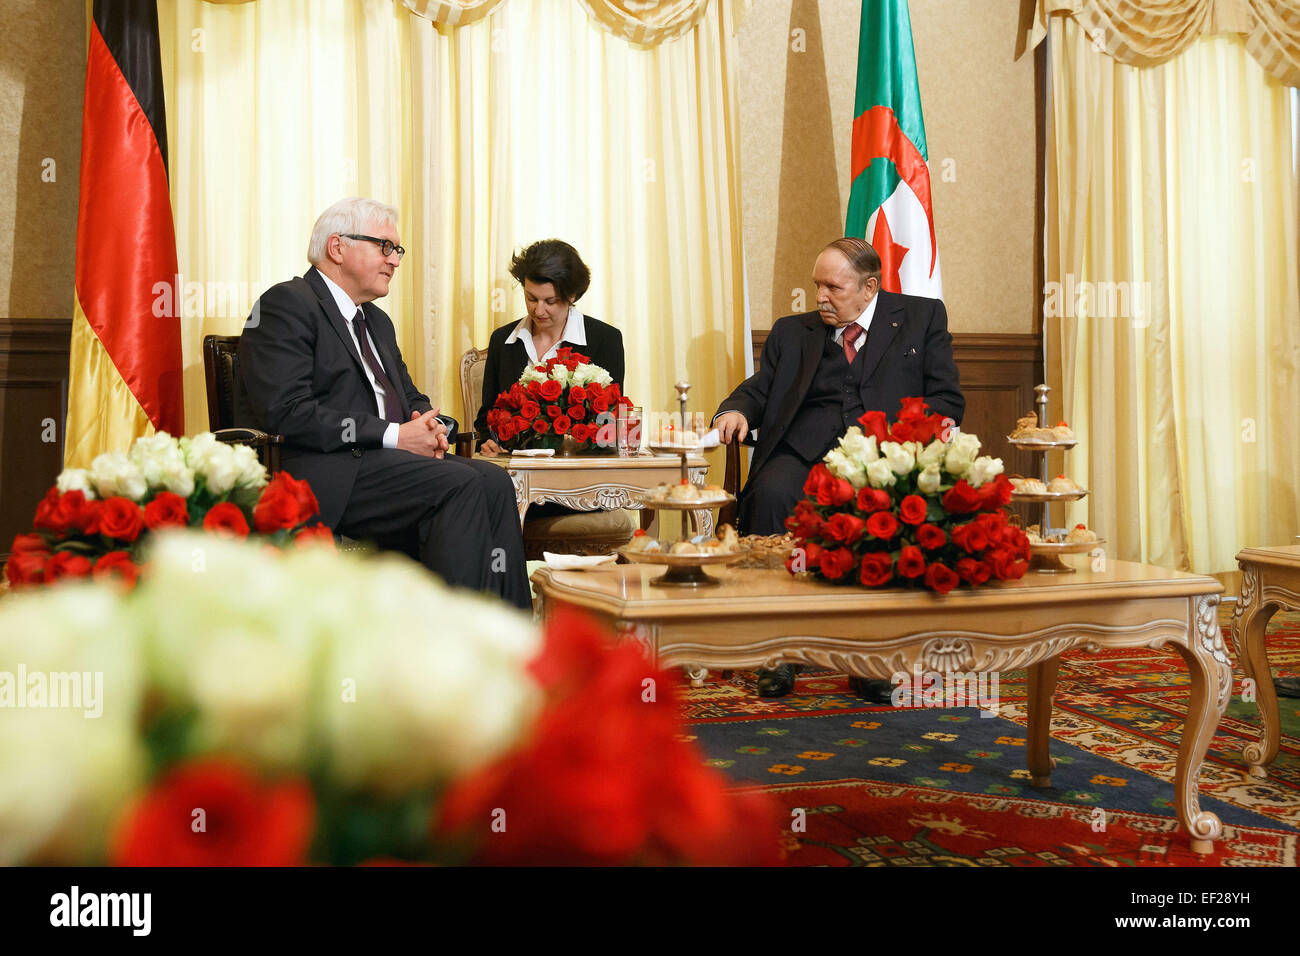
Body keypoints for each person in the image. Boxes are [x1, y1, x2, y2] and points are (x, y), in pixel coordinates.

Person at [238, 197, 531, 610]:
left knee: (495, 482)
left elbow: (408, 396)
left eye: (398, 250)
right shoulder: (286, 304)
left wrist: (432, 425)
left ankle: (513, 644)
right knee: (460, 484)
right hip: (332, 469)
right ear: (337, 248)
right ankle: (451, 648)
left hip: (389, 465)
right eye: (384, 247)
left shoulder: (375, 320)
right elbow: (288, 412)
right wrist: (395, 436)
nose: (395, 260)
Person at [715, 237, 964, 697]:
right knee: (770, 495)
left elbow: (947, 400)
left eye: (833, 287)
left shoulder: (922, 318)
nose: (820, 297)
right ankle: (780, 651)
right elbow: (761, 388)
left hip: (881, 456)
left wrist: (905, 445)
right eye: (817, 286)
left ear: (869, 288)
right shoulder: (794, 332)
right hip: (802, 449)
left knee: (882, 511)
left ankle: (868, 656)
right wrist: (736, 411)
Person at [476, 239, 624, 453]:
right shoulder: (502, 340)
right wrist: (489, 442)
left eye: (550, 301)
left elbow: (611, 418)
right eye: (531, 298)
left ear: (571, 295)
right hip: (512, 464)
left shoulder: (605, 339)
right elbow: (487, 415)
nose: (538, 310)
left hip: (580, 465)